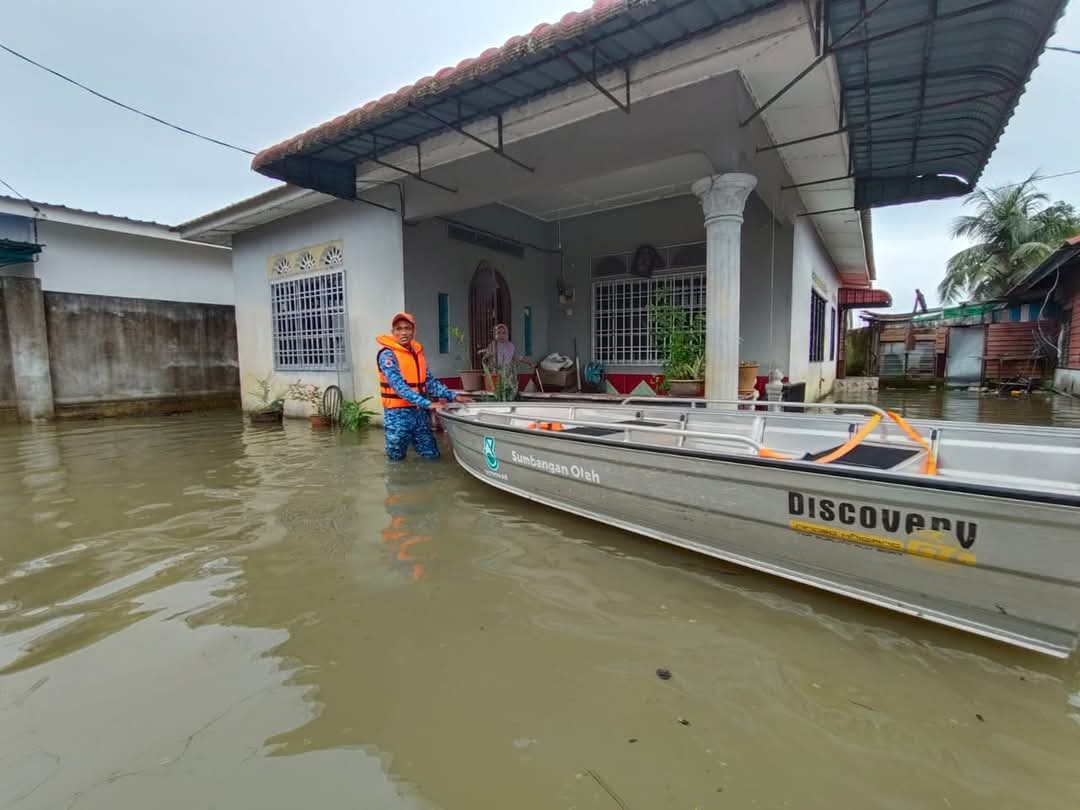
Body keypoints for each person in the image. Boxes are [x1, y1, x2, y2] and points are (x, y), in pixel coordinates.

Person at [376, 312, 472, 461]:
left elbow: (429, 382)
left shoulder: (417, 353)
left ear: (414, 331)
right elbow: (400, 388)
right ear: (392, 332)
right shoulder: (387, 355)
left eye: (407, 328)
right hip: (397, 416)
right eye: (399, 329)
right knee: (396, 461)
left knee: (431, 456)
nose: (403, 332)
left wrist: (453, 395)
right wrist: (428, 403)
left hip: (419, 414)